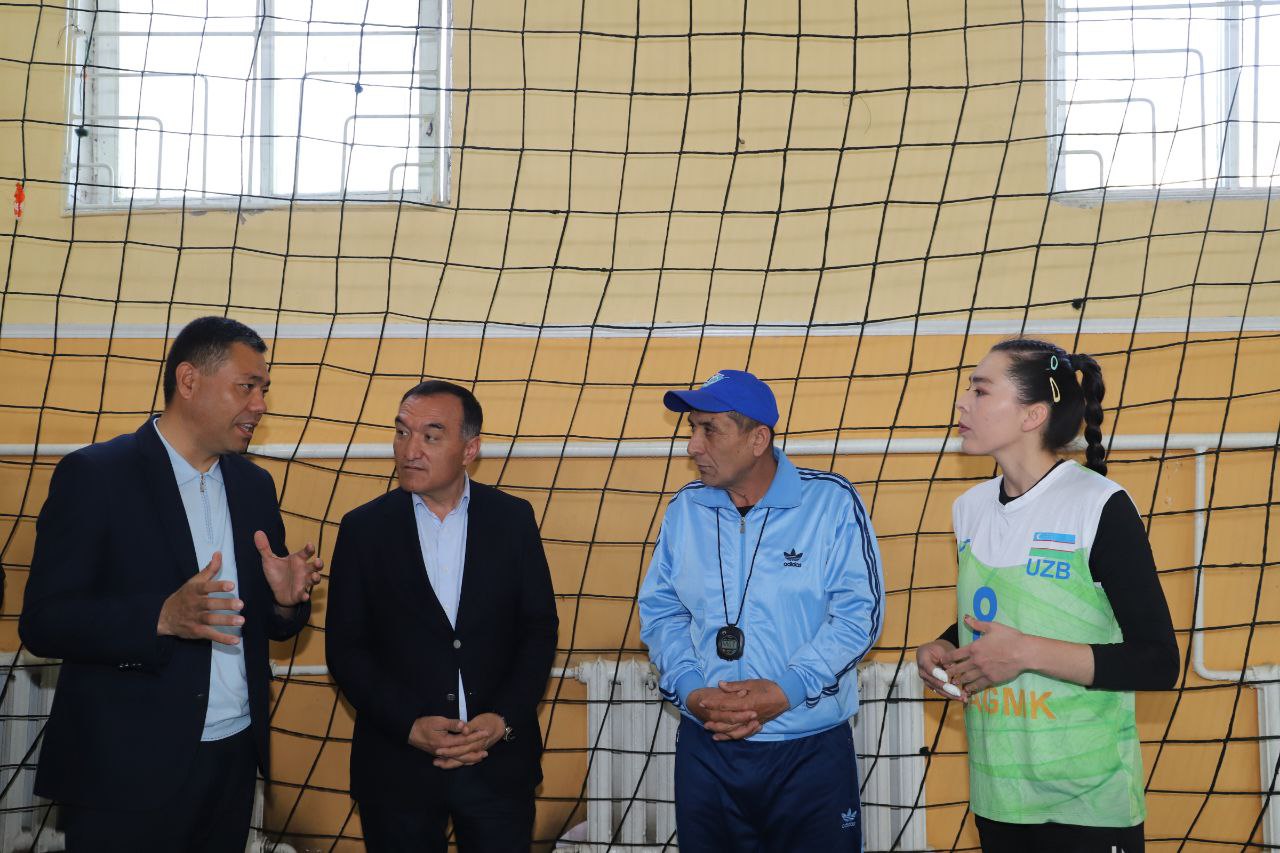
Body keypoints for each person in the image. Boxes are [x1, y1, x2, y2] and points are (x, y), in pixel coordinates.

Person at [19, 316, 323, 853]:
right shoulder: (96, 475)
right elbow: (44, 622)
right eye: (247, 387)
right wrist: (159, 617)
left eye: (264, 390)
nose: (260, 405)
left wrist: (282, 603)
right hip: (125, 771)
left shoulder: (254, 485)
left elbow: (267, 626)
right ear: (189, 381)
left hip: (232, 760)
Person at [915, 338, 1179, 853]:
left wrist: (1025, 654)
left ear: (1033, 414)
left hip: (1089, 805)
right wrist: (946, 645)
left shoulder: (1099, 505)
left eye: (981, 390)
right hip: (999, 799)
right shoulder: (968, 509)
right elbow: (1004, 611)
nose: (962, 402)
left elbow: (1158, 663)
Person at [638, 369, 884, 852]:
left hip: (808, 753)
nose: (692, 446)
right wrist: (691, 690)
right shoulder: (686, 509)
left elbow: (859, 615)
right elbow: (663, 611)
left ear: (758, 440)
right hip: (708, 749)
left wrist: (787, 689)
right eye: (692, 428)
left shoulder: (830, 502)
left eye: (709, 429)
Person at [325, 380, 558, 853]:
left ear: (470, 449)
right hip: (396, 771)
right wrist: (409, 725)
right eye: (402, 432)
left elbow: (538, 630)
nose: (410, 450)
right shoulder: (362, 529)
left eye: (431, 436)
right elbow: (346, 650)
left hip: (498, 768)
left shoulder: (513, 519)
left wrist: (502, 719)